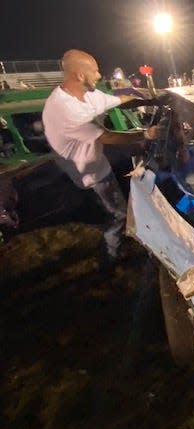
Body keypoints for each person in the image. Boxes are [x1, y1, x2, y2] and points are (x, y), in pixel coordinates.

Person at [42, 49, 163, 269]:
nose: (99, 75)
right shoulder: (68, 112)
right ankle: (111, 257)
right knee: (117, 213)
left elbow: (116, 100)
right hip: (89, 172)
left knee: (133, 151)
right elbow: (108, 136)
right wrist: (147, 134)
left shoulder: (83, 93)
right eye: (95, 71)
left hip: (92, 154)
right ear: (79, 75)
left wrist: (146, 98)